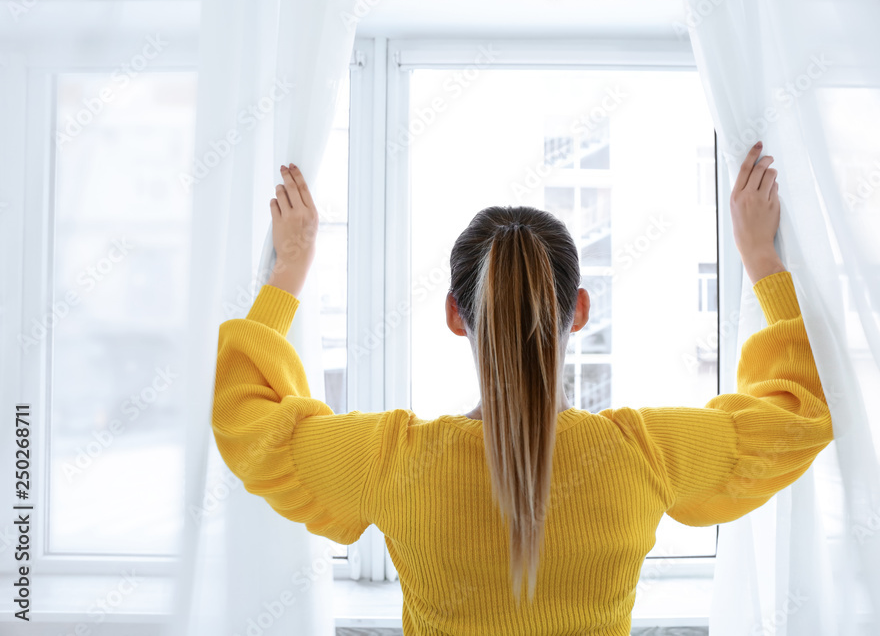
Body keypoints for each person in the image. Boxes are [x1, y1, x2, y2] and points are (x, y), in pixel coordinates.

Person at [212, 141, 834, 635]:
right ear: (582, 310)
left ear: (457, 315)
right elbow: (800, 412)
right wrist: (763, 259)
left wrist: (287, 272)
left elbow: (248, 421)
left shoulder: (392, 461)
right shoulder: (645, 453)